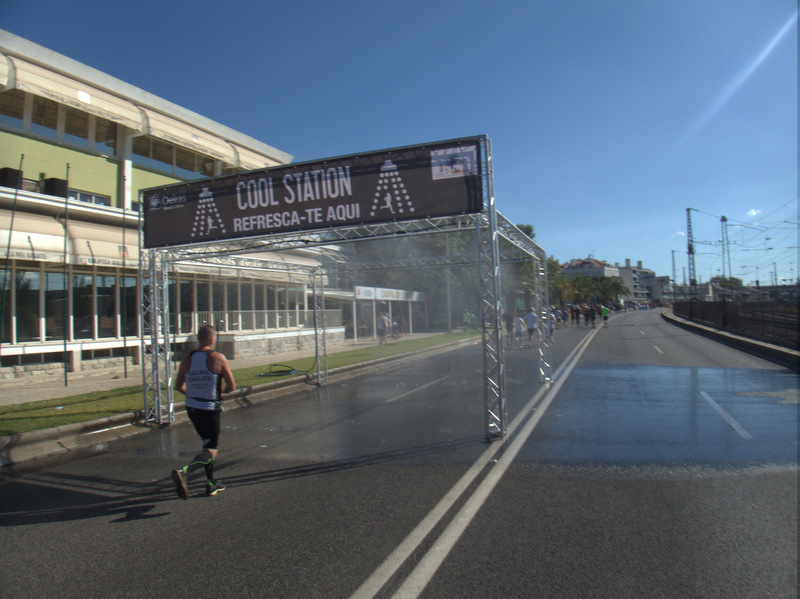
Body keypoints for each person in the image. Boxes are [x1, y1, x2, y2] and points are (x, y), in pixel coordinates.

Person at [171, 325, 236, 499]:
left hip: (192, 408)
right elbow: (231, 386)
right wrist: (217, 392)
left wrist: (194, 394)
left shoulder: (187, 358)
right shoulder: (218, 358)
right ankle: (185, 472)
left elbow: (178, 386)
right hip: (209, 408)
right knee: (211, 448)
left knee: (206, 445)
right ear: (212, 340)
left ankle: (210, 483)